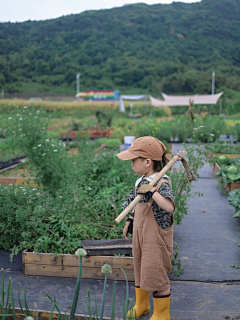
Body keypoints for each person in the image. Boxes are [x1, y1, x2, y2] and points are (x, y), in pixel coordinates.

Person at [117, 136, 174, 320]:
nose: (131, 164)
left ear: (147, 162)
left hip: (156, 237)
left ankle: (161, 313)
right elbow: (134, 203)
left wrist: (153, 192)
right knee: (141, 268)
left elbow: (169, 207)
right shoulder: (141, 181)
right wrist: (130, 220)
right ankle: (141, 304)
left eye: (134, 160)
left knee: (156, 272)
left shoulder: (161, 182)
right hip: (141, 233)